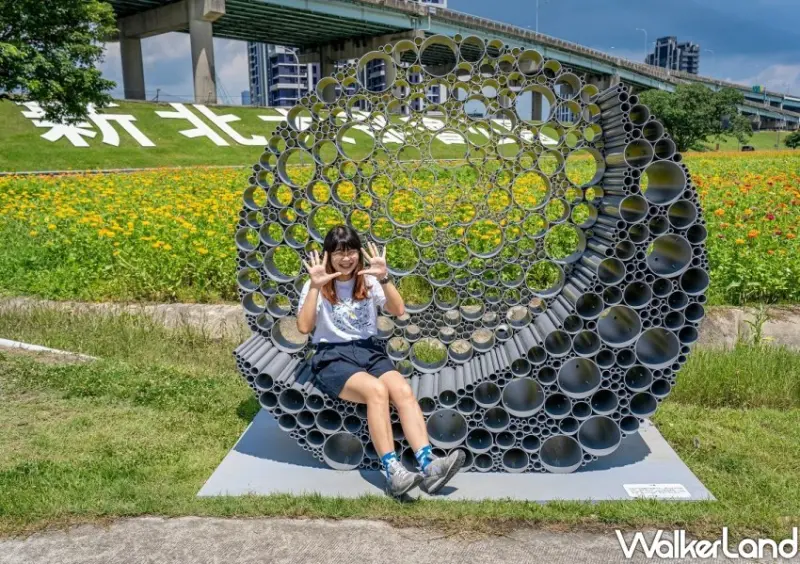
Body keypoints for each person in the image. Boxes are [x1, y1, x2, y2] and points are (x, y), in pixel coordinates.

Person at [297, 225, 465, 497]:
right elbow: (304, 328)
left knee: (401, 390)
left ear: (358, 254)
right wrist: (315, 287)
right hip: (332, 356)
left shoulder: (369, 280)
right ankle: (392, 470)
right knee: (377, 391)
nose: (346, 258)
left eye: (351, 251)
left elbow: (399, 311)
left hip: (368, 351)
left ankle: (429, 465)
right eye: (339, 252)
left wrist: (385, 278)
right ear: (328, 255)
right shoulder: (315, 284)